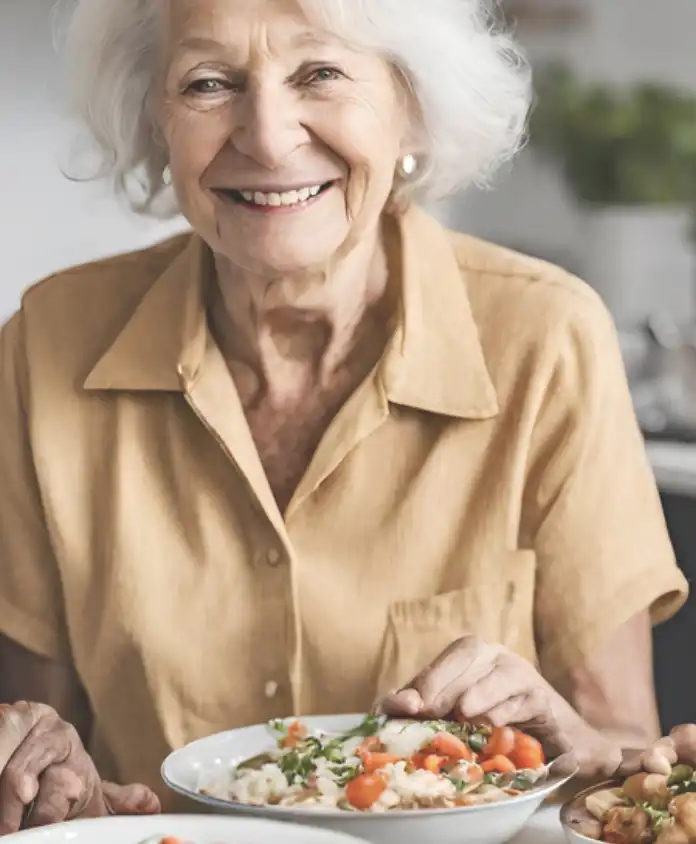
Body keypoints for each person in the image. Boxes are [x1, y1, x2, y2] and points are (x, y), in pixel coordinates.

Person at [0, 0, 687, 833]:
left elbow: (628, 759)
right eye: (208, 83)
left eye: (320, 73)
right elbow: (35, 735)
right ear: (157, 120)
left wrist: (574, 747)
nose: (268, 136)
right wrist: (52, 784)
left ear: (412, 106)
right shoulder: (48, 342)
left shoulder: (546, 340)